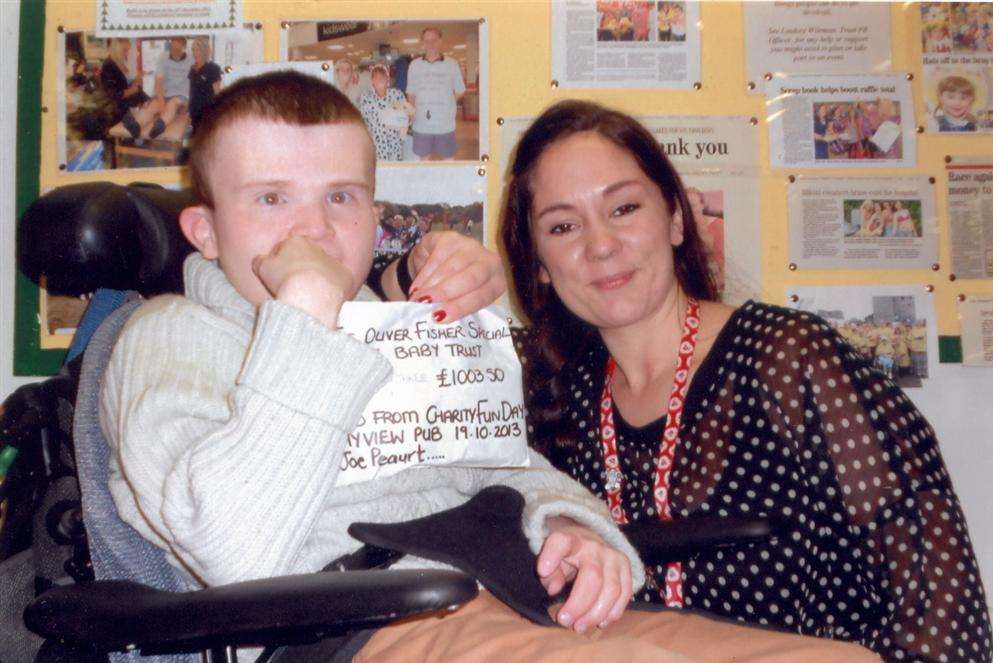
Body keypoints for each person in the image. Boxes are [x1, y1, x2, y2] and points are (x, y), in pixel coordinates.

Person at [103, 70, 781, 663]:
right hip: (357, 624)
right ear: (206, 231)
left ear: (373, 216)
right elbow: (232, 549)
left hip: (510, 597)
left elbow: (500, 462)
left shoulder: (385, 331)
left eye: (340, 196)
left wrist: (569, 521)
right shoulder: (168, 338)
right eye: (271, 198)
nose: (311, 230)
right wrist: (305, 312)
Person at [499, 99, 992, 663]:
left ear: (677, 218)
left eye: (624, 208)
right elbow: (414, 362)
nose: (600, 245)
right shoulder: (556, 388)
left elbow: (939, 597)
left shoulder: (790, 361)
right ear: (538, 261)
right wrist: (420, 270)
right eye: (563, 226)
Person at [405, 27, 466, 161]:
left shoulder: (452, 64)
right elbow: (411, 93)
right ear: (422, 43)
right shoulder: (414, 65)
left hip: (445, 125)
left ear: (440, 41)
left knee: (448, 160)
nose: (430, 44)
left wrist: (447, 102)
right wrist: (411, 115)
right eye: (427, 40)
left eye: (434, 40)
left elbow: (460, 90)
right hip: (421, 125)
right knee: (423, 161)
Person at [359, 63, 411, 162]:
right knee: (380, 174)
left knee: (395, 173)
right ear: (372, 81)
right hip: (376, 144)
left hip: (395, 143)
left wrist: (405, 121)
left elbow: (407, 115)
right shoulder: (366, 97)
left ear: (387, 79)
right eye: (376, 77)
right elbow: (364, 120)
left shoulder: (397, 94)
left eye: (382, 76)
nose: (379, 79)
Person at [100, 38, 154, 133]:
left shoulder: (119, 63)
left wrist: (137, 79)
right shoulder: (108, 66)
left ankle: (139, 125)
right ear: (116, 49)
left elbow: (124, 86)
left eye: (127, 51)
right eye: (124, 50)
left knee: (151, 103)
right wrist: (134, 89)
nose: (126, 54)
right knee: (150, 103)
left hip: (125, 102)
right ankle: (134, 125)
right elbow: (114, 95)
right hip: (116, 108)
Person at [187, 37, 222, 131]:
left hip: (208, 113)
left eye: (197, 50)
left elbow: (217, 93)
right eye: (193, 50)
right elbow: (191, 91)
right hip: (194, 113)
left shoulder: (213, 68)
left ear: (204, 51)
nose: (194, 53)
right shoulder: (192, 68)